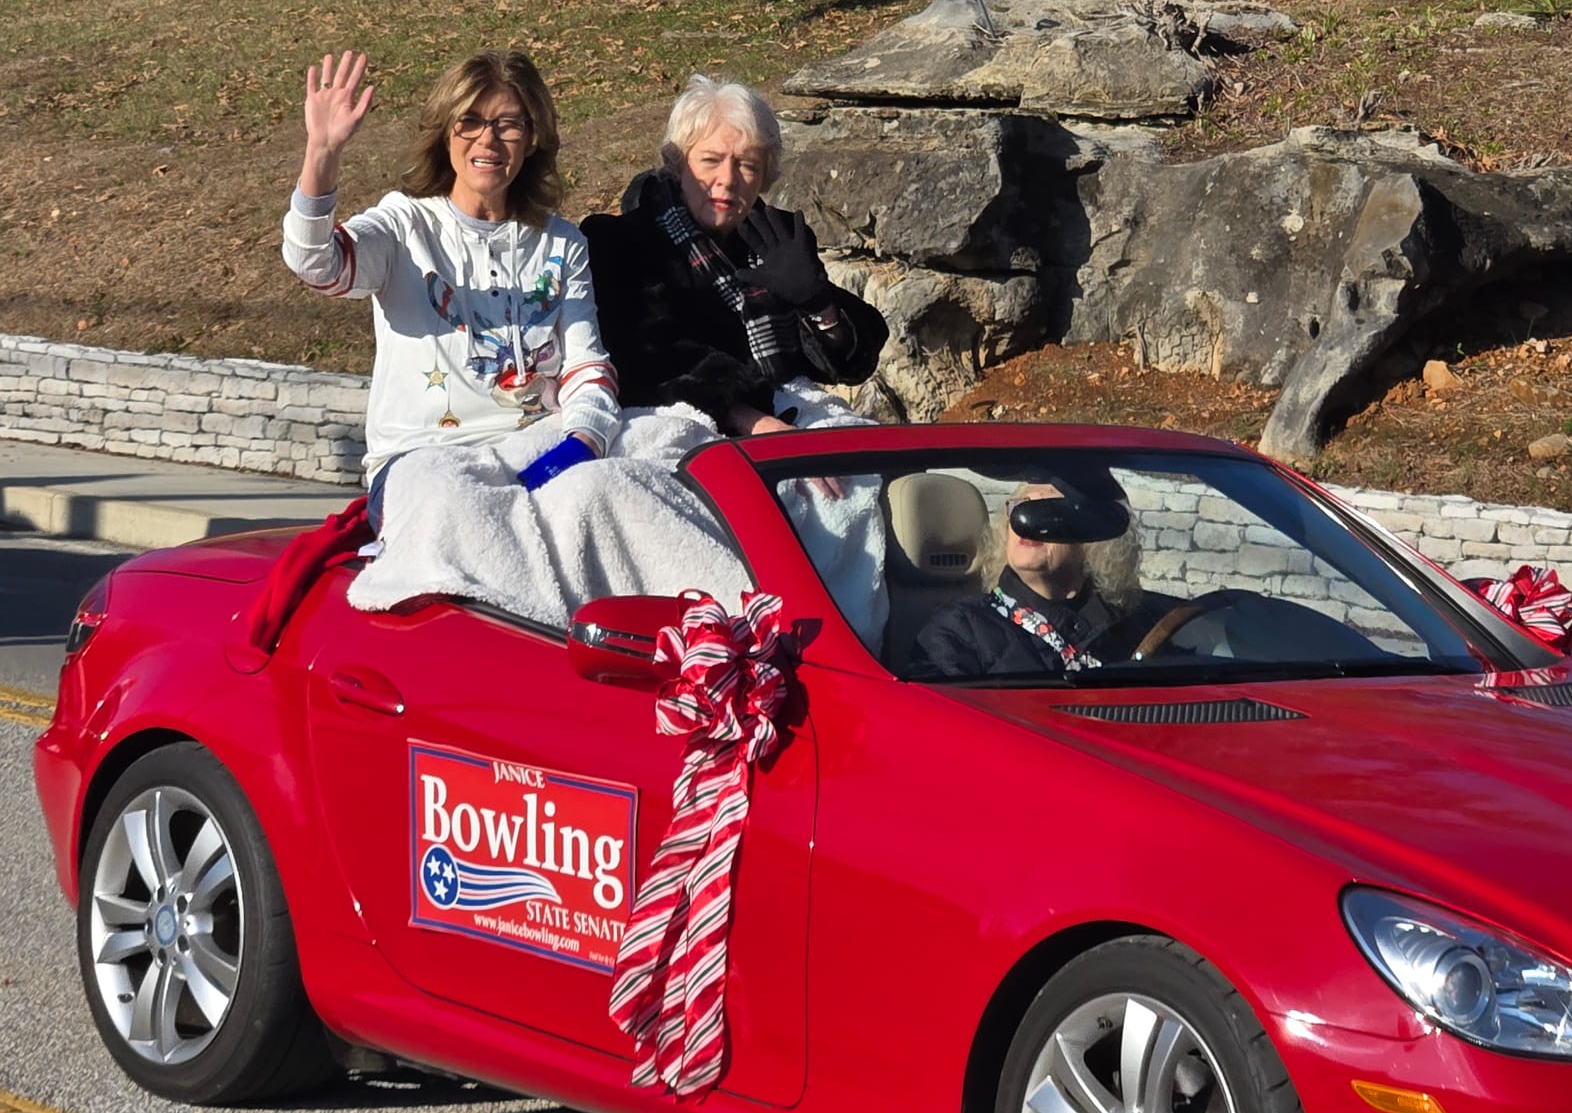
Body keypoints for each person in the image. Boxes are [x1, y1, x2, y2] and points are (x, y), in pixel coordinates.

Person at [282, 50, 619, 528]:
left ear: (532, 137)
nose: (489, 139)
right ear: (446, 132)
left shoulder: (563, 243)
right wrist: (322, 153)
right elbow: (317, 263)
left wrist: (581, 445)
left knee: (658, 451)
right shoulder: (403, 223)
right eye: (471, 121)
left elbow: (587, 368)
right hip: (423, 468)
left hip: (533, 449)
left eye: (508, 124)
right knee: (467, 513)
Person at [581, 75, 886, 437]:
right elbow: (639, 361)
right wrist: (748, 419)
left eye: (747, 165)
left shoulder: (778, 239)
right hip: (676, 430)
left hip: (789, 415)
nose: (727, 179)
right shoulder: (620, 242)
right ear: (676, 164)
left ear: (765, 176)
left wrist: (821, 306)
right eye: (710, 160)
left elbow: (851, 364)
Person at [907, 483, 1180, 680]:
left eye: (1047, 512)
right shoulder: (960, 628)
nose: (1027, 523)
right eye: (1020, 510)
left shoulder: (1138, 619)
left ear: (1092, 538)